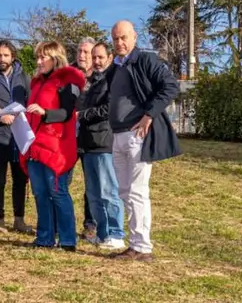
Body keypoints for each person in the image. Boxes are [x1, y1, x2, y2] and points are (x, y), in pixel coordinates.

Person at [109, 20, 181, 262]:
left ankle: (142, 247)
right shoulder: (116, 67)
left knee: (138, 191)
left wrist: (149, 114)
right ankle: (134, 243)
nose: (119, 42)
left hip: (137, 136)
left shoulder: (146, 60)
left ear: (134, 37)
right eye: (116, 38)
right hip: (117, 135)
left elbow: (170, 86)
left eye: (124, 37)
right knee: (125, 192)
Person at [21, 41, 85, 251]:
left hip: (56, 148)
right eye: (37, 57)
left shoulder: (67, 82)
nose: (38, 62)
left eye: (43, 57)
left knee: (58, 193)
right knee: (40, 194)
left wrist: (45, 113)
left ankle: (67, 240)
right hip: (35, 147)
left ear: (55, 58)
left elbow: (68, 113)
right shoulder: (36, 83)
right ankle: (44, 237)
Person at [76, 42, 125, 249]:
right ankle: (102, 233)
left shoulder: (113, 79)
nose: (96, 61)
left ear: (109, 56)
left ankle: (116, 233)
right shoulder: (91, 82)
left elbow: (109, 108)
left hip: (104, 143)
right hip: (87, 145)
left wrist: (82, 116)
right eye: (93, 57)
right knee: (93, 194)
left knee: (109, 191)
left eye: (100, 57)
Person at [0, 40, 34, 234]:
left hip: (19, 135)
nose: (1, 59)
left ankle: (19, 219)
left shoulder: (24, 77)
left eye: (5, 55)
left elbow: (30, 100)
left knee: (20, 179)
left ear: (13, 56)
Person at [73, 37, 97, 239]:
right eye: (79, 51)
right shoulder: (67, 75)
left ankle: (90, 225)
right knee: (61, 180)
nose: (81, 55)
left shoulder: (101, 77)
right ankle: (59, 223)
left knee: (92, 184)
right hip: (67, 136)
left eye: (86, 52)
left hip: (91, 137)